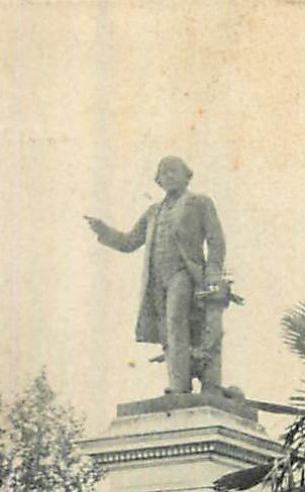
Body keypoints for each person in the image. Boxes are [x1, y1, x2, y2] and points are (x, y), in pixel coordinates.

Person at [86, 156, 241, 397]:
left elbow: (215, 239)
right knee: (168, 331)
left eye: (173, 171)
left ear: (186, 175)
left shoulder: (199, 202)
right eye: (163, 173)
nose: (168, 176)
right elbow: (129, 242)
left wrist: (213, 271)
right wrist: (104, 231)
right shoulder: (153, 211)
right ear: (158, 180)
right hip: (157, 279)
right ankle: (179, 381)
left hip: (186, 273)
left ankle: (182, 386)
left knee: (177, 322)